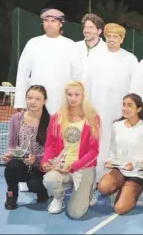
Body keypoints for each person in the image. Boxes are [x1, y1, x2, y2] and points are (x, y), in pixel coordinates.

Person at [82, 23, 139, 187]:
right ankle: (92, 182)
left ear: (122, 39)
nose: (112, 40)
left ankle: (115, 181)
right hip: (95, 111)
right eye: (109, 36)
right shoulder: (94, 56)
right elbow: (85, 83)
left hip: (119, 113)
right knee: (96, 145)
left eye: (116, 37)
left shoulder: (130, 59)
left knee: (117, 145)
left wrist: (129, 112)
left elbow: (133, 89)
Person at [41, 81, 101, 219]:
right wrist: (46, 161)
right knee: (50, 179)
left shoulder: (93, 118)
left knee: (76, 213)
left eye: (76, 95)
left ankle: (89, 189)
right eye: (69, 94)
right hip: (62, 165)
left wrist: (73, 166)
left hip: (83, 167)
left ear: (83, 96)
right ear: (65, 95)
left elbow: (94, 151)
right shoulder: (58, 117)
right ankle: (58, 198)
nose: (73, 98)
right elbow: (49, 144)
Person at [14, 8, 82, 114]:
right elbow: (23, 73)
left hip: (62, 103)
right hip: (36, 103)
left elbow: (77, 76)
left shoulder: (71, 45)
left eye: (53, 21)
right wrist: (20, 102)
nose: (49, 24)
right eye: (46, 21)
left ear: (61, 24)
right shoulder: (33, 43)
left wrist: (76, 101)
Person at [97, 94, 143, 215]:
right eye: (123, 105)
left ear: (138, 109)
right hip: (120, 170)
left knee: (120, 209)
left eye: (129, 105)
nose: (125, 108)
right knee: (102, 187)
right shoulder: (116, 126)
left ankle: (140, 193)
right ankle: (120, 189)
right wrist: (110, 160)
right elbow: (112, 148)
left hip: (137, 172)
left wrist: (134, 163)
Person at [3, 85, 50, 210]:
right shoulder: (16, 119)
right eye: (29, 98)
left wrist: (37, 159)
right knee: (11, 166)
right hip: (21, 163)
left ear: (45, 100)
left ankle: (42, 191)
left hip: (41, 166)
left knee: (34, 185)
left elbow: (52, 150)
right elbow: (12, 144)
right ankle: (11, 196)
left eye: (37, 99)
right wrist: (9, 154)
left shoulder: (50, 122)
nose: (32, 102)